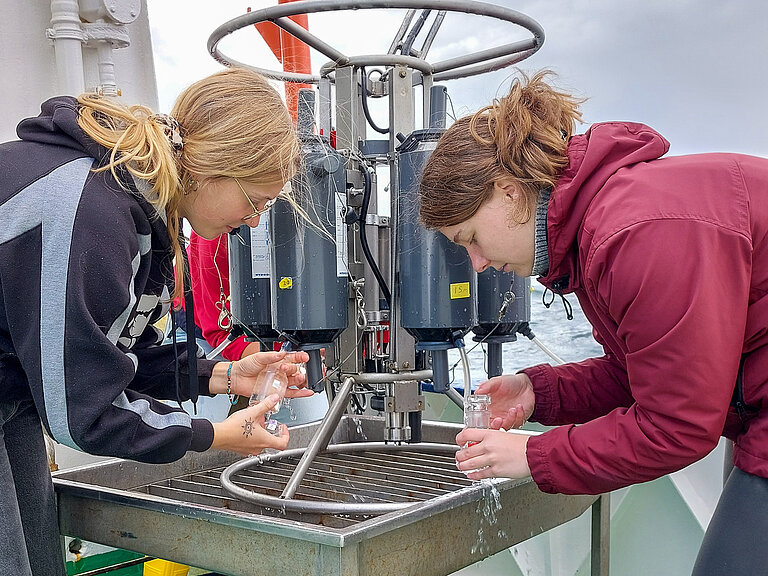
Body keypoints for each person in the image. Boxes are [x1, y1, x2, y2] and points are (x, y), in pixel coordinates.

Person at [418, 69, 768, 575]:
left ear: (510, 193)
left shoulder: (634, 234)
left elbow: (677, 427)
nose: (477, 262)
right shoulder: (601, 224)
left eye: (471, 236)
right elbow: (644, 374)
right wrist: (537, 393)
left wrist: (533, 455)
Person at [0, 67, 314, 576]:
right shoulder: (91, 214)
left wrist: (225, 375)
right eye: (255, 200)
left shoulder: (139, 210)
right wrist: (212, 434)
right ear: (213, 168)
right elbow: (85, 410)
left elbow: (111, 356)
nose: (256, 220)